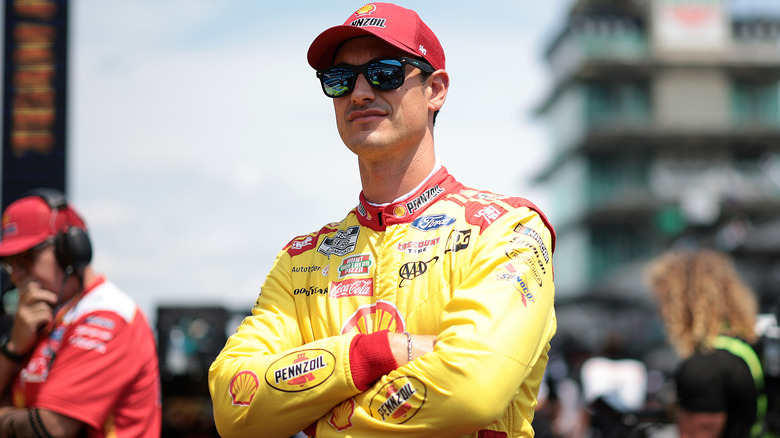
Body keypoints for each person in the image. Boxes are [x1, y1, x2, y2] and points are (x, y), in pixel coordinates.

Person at [209, 3, 556, 437]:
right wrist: (375, 354)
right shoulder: (301, 260)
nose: (359, 93)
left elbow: (471, 390)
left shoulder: (508, 229)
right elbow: (233, 403)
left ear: (436, 90)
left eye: (385, 73)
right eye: (338, 80)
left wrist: (316, 417)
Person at [0, 189, 161, 437]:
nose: (15, 275)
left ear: (71, 251)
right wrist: (13, 348)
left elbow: (49, 427)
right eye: (9, 263)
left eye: (26, 258)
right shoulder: (43, 317)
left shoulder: (108, 316)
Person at [648, 249, 762, 438]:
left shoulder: (703, 367)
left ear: (685, 304)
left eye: (665, 302)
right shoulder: (745, 346)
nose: (661, 313)